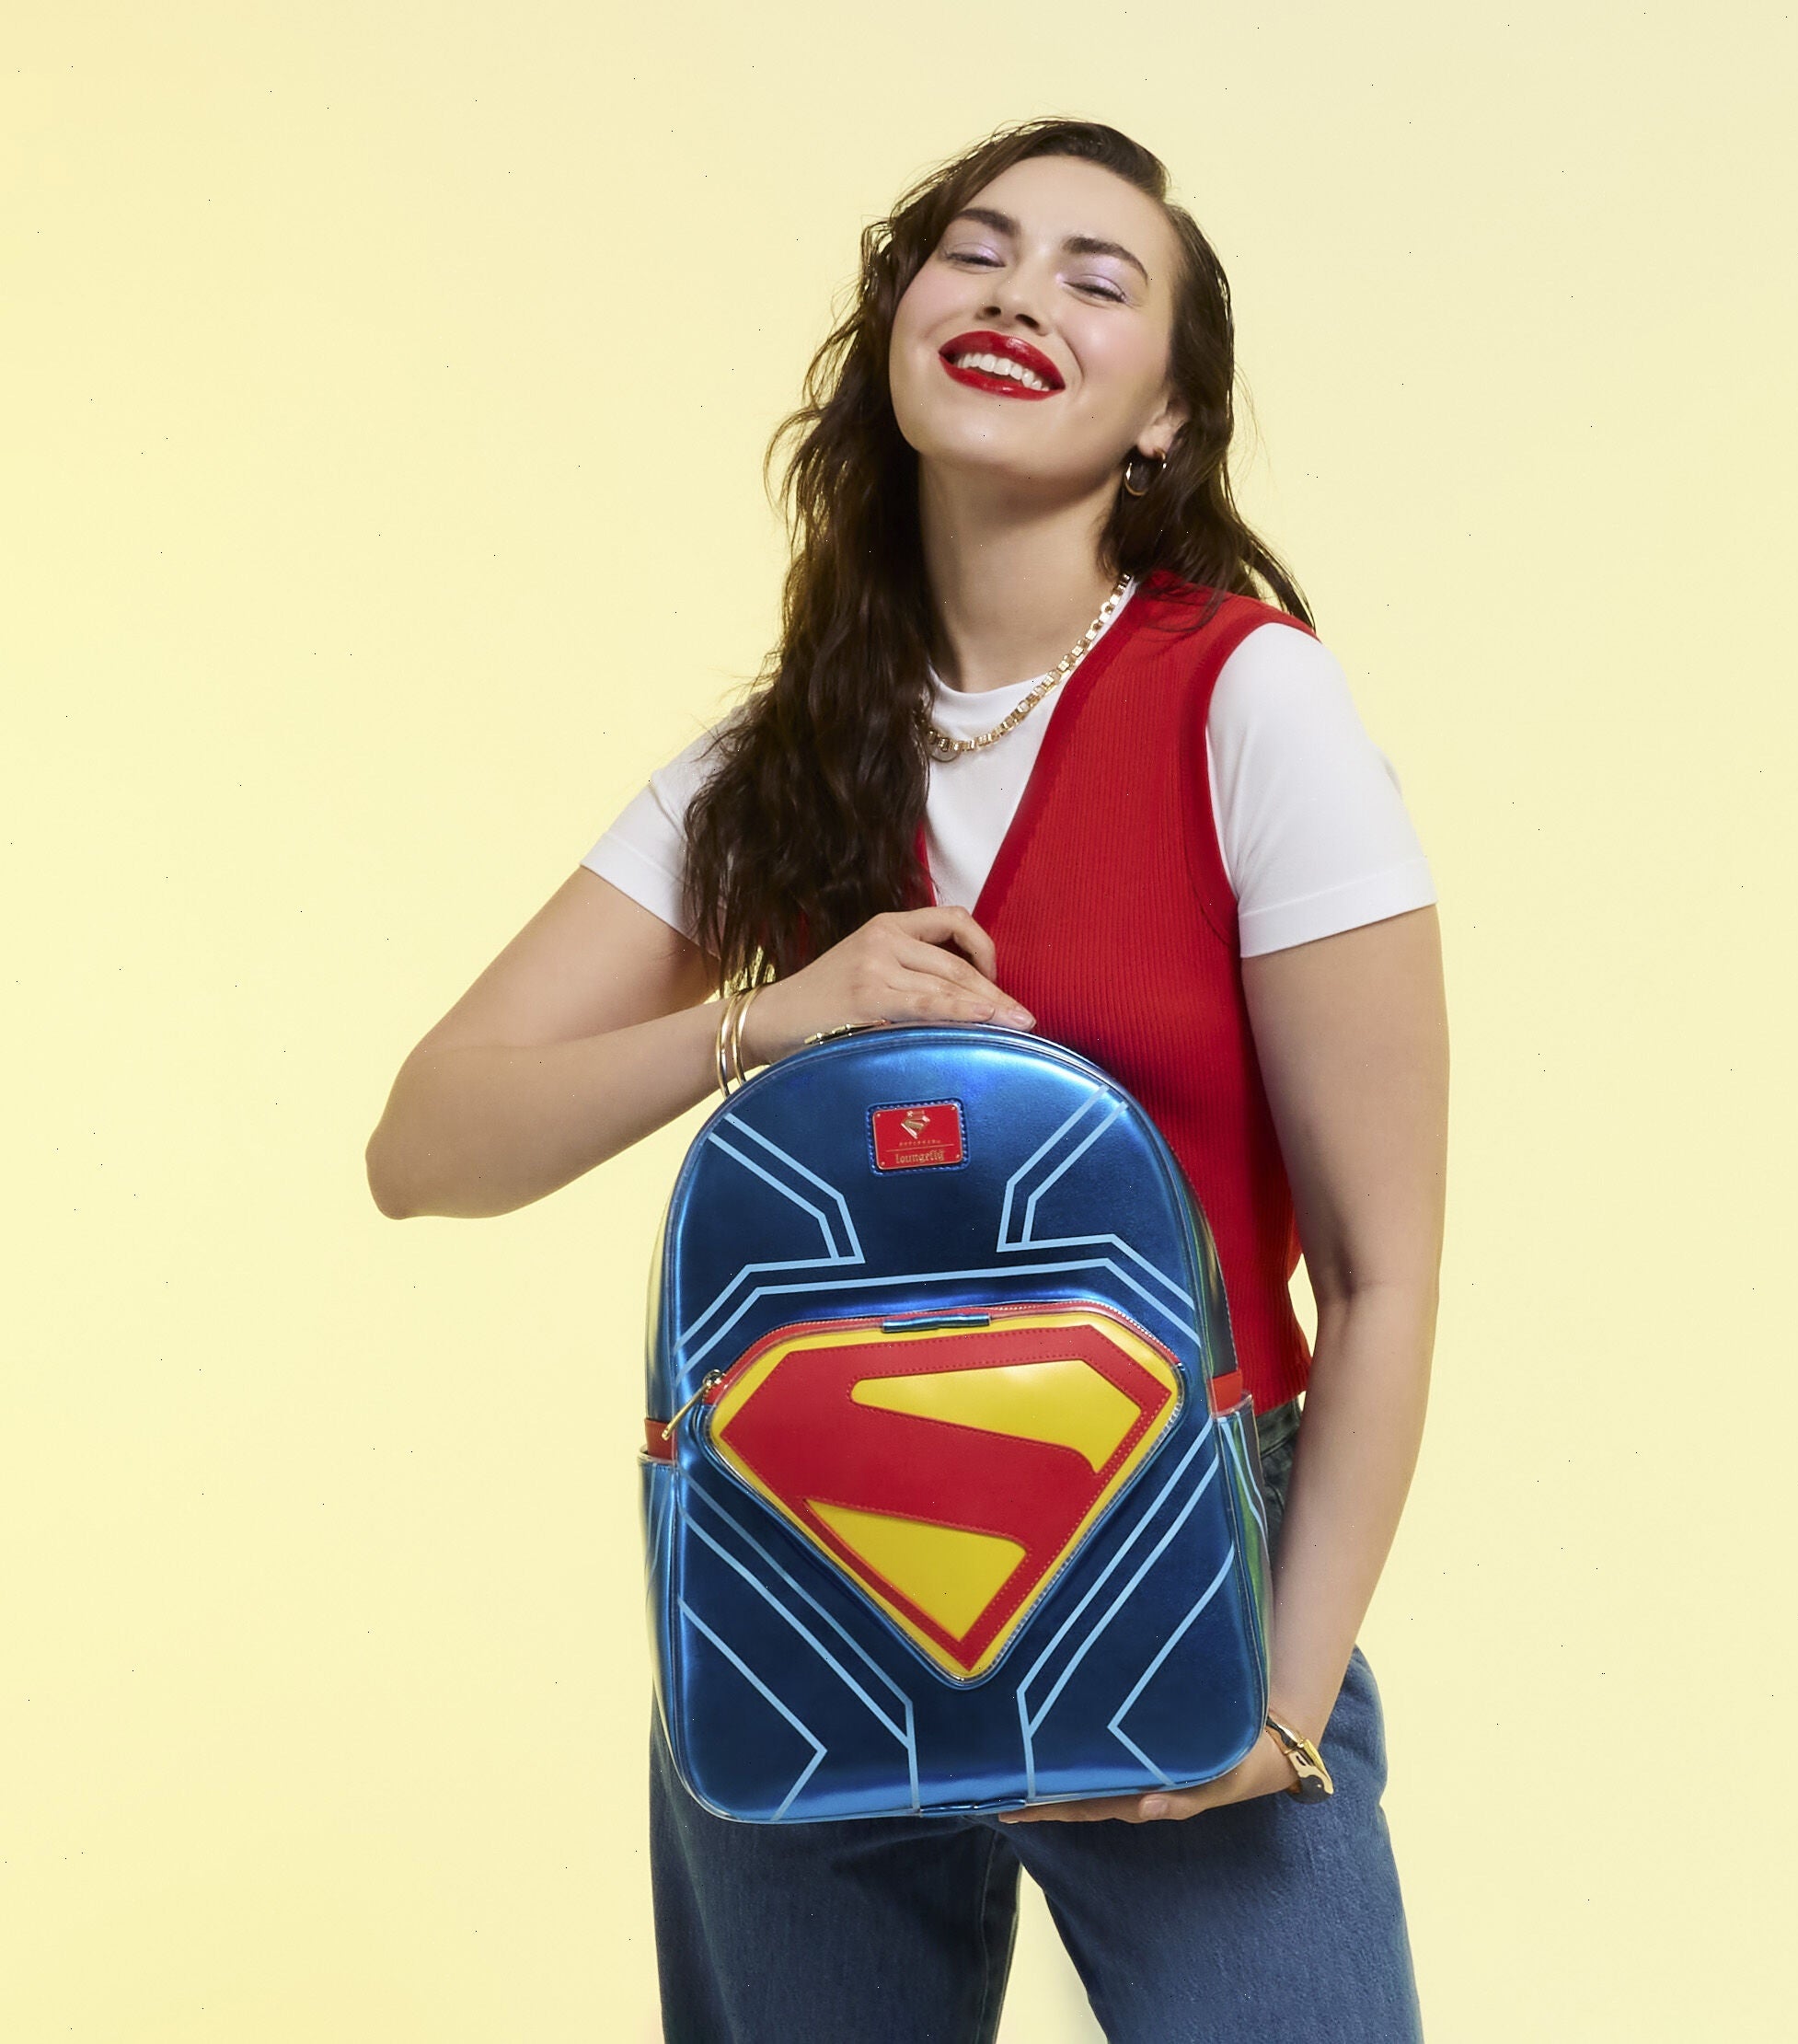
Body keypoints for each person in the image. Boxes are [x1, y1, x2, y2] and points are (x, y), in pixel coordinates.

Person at [366, 115, 1447, 2044]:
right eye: (975, 251)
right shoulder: (775, 757)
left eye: (1096, 280)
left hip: (1169, 1541)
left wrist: (1283, 1705)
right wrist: (756, 1024)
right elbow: (423, 1142)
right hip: (801, 1561)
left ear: (1166, 418)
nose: (1020, 294)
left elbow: (1380, 1275)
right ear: (897, 325)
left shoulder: (1246, 696)